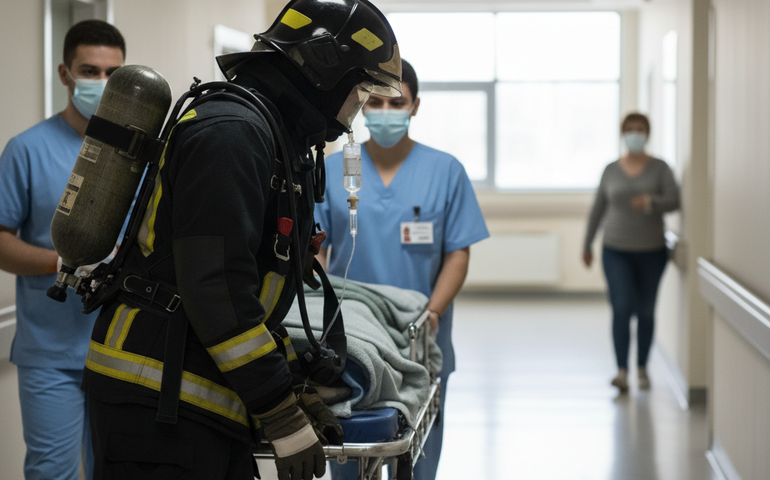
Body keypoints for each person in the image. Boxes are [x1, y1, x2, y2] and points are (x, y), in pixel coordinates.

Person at [79, 1, 402, 479]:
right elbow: (218, 291)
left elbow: (250, 298)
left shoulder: (267, 136)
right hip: (155, 402)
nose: (358, 106)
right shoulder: (232, 134)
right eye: (360, 88)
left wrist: (291, 386)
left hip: (194, 401)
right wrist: (280, 410)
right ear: (323, 68)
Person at [315, 59, 490, 480]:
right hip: (352, 333)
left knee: (420, 446)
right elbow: (316, 248)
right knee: (351, 444)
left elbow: (457, 252)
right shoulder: (336, 168)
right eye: (374, 102)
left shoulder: (445, 171)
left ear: (415, 106)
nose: (385, 111)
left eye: (397, 102)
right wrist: (317, 305)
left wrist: (433, 313)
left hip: (419, 331)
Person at [0, 20, 125, 480]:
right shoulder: (27, 150)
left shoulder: (137, 158)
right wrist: (64, 262)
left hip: (120, 349)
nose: (101, 83)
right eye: (89, 71)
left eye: (113, 73)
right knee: (53, 472)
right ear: (64, 74)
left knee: (115, 470)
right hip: (50, 352)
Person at [582, 112, 680, 393]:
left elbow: (674, 201)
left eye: (640, 129)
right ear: (622, 133)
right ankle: (622, 371)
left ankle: (642, 367)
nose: (635, 133)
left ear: (647, 134)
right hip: (616, 249)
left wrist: (651, 202)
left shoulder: (660, 168)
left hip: (652, 251)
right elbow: (598, 208)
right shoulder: (611, 169)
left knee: (646, 311)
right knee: (622, 308)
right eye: (630, 129)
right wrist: (587, 243)